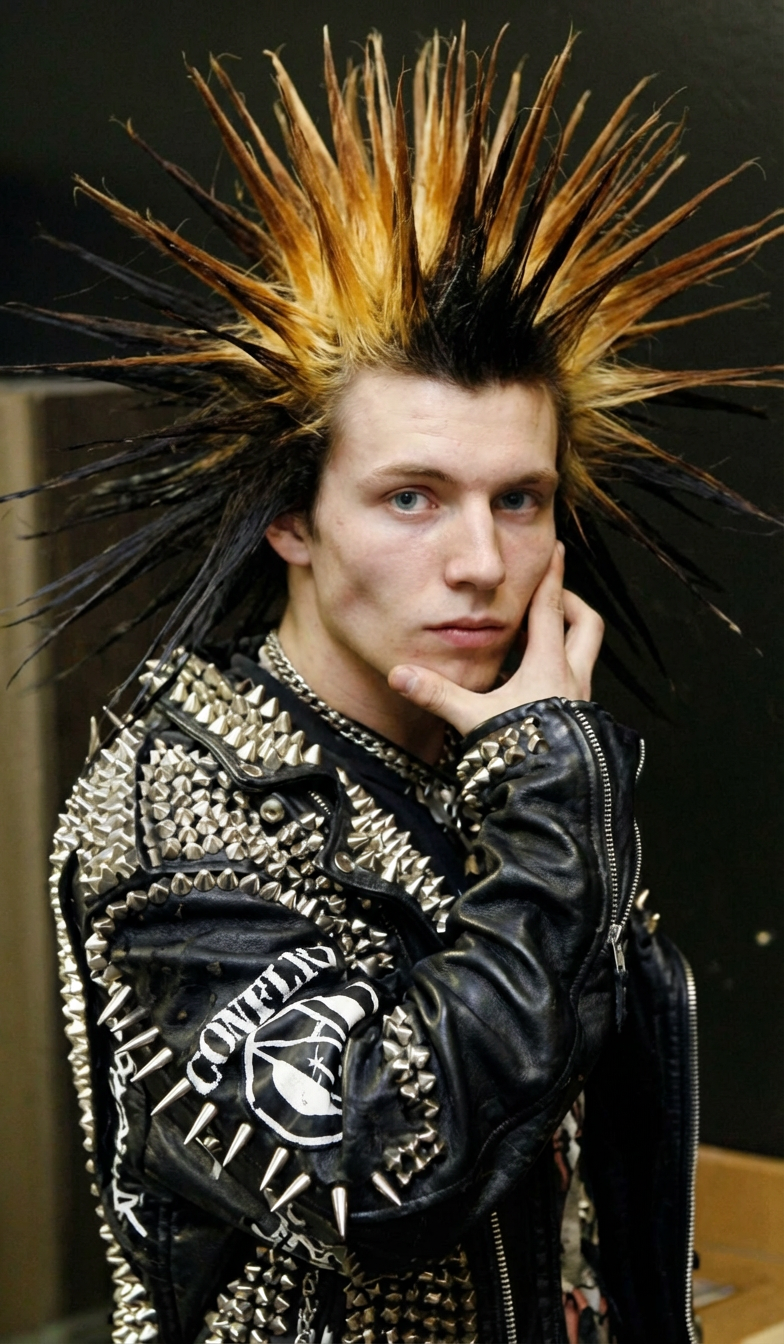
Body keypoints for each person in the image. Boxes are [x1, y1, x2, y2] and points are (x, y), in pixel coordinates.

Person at [14, 25, 780, 1344]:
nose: (482, 562)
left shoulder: (500, 748)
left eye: (521, 499)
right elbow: (384, 1166)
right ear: (291, 520)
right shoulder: (173, 812)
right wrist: (553, 802)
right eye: (411, 496)